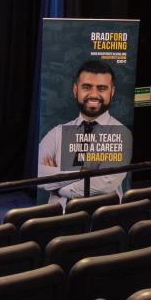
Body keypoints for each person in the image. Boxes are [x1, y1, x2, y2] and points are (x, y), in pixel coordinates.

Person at [37, 58, 133, 200]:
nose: (94, 95)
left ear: (112, 92)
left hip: (101, 218)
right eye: (87, 87)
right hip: (58, 218)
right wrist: (81, 171)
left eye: (102, 88)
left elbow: (104, 185)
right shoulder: (57, 132)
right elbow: (37, 173)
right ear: (76, 90)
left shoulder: (121, 133)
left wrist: (58, 185)